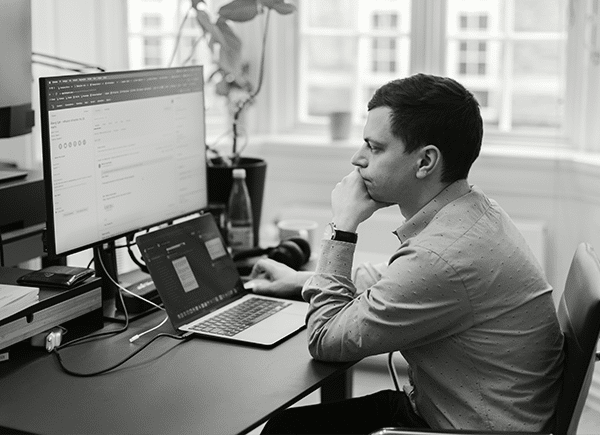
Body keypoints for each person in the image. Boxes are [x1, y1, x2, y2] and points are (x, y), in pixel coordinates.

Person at [248, 73, 564, 434]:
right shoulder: (473, 212)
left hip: (465, 430)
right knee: (293, 426)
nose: (357, 159)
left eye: (375, 147)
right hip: (472, 415)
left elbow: (324, 339)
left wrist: (343, 226)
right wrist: (301, 280)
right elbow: (394, 281)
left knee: (285, 431)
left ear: (425, 161)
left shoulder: (442, 256)